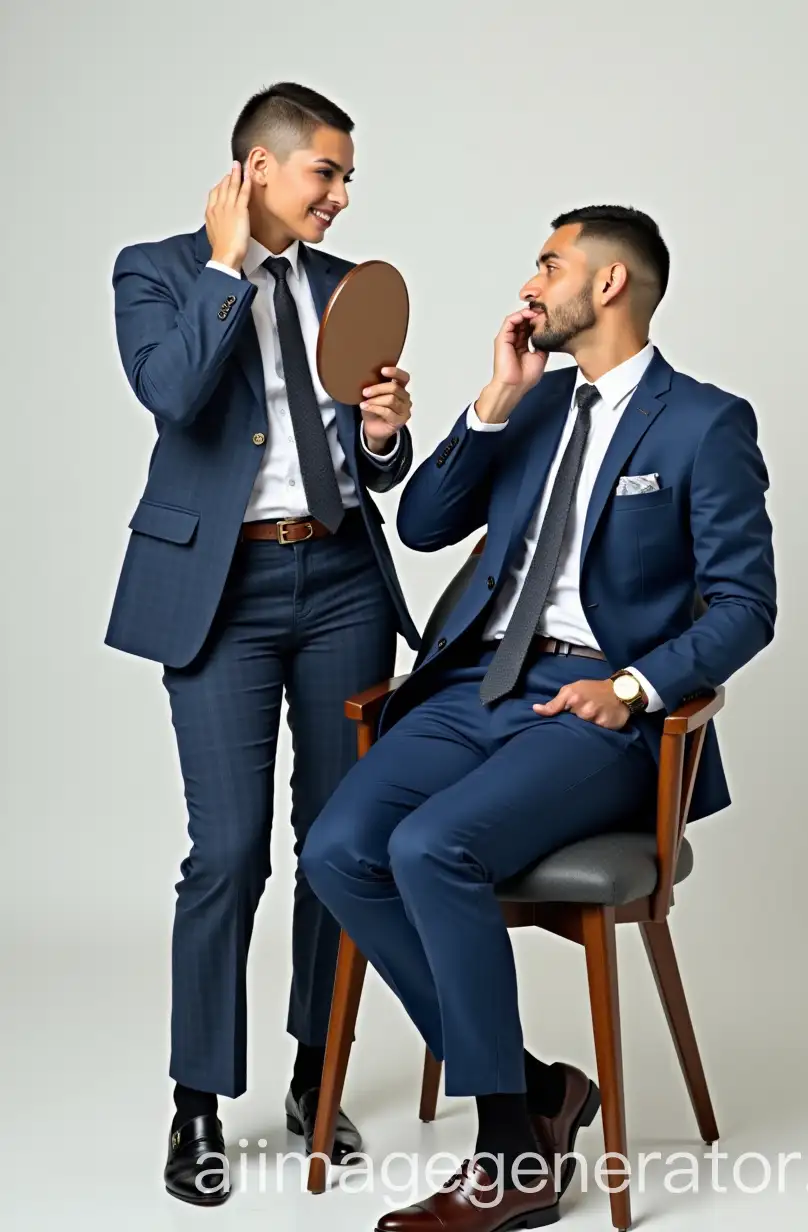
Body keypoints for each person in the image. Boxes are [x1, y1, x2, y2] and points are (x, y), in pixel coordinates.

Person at [301, 204, 776, 1229]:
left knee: (431, 845)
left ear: (607, 283)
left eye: (549, 263)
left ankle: (510, 1152)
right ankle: (537, 1086)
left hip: (595, 715)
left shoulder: (703, 422)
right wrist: (490, 402)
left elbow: (746, 603)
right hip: (474, 688)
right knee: (337, 846)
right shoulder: (535, 403)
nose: (530, 282)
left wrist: (636, 687)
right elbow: (424, 522)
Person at [105, 82, 420, 1206]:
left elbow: (369, 465)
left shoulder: (346, 288)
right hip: (220, 591)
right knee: (228, 850)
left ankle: (313, 1067)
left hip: (339, 581)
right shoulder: (153, 271)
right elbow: (176, 393)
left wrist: (385, 434)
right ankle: (197, 1098)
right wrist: (225, 269)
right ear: (255, 168)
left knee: (339, 844)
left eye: (345, 175)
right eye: (325, 172)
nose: (341, 194)